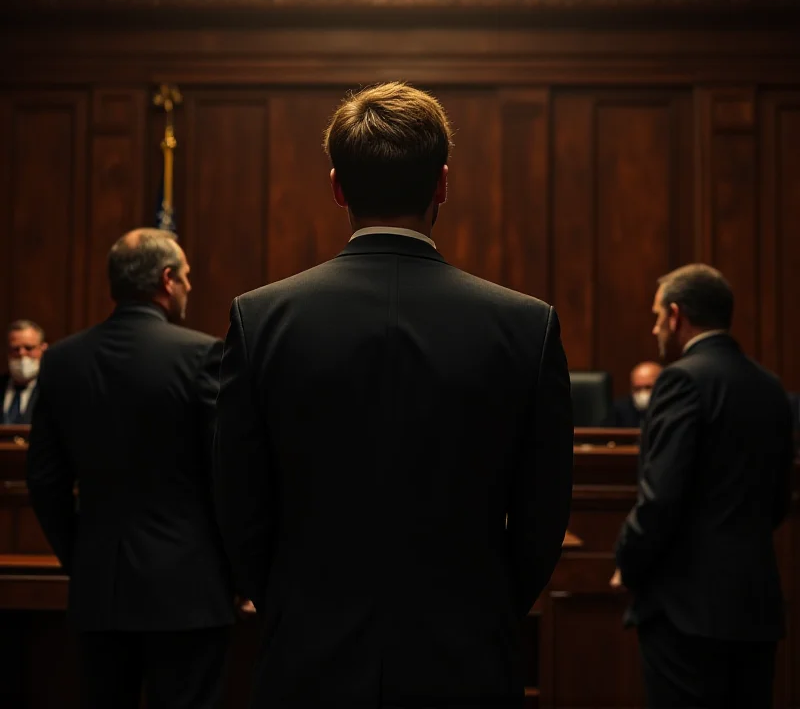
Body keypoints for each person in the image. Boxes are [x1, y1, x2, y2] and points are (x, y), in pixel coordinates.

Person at [213, 82, 574, 708]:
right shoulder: (526, 326)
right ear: (442, 184)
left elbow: (238, 502)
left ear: (336, 187)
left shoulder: (260, 319)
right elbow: (543, 516)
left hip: (306, 655)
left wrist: (290, 607)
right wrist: (486, 610)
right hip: (465, 657)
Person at [26, 228, 234, 709]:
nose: (188, 286)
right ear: (166, 280)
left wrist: (81, 555)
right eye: (184, 277)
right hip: (189, 591)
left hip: (100, 587)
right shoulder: (201, 355)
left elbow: (44, 479)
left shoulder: (62, 361)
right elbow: (227, 471)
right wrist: (237, 571)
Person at [613, 264, 795, 708]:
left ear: (676, 316)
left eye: (657, 317)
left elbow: (661, 498)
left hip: (687, 612)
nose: (655, 328)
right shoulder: (771, 388)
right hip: (755, 608)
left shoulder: (680, 380)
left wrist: (628, 561)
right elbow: (778, 499)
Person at [2, 319, 47, 424]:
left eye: (29, 348)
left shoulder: (54, 390)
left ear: (43, 348)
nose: (22, 353)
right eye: (15, 349)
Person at [612, 361, 662, 428]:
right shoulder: (619, 410)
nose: (642, 393)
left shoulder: (673, 409)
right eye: (637, 389)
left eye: (648, 387)